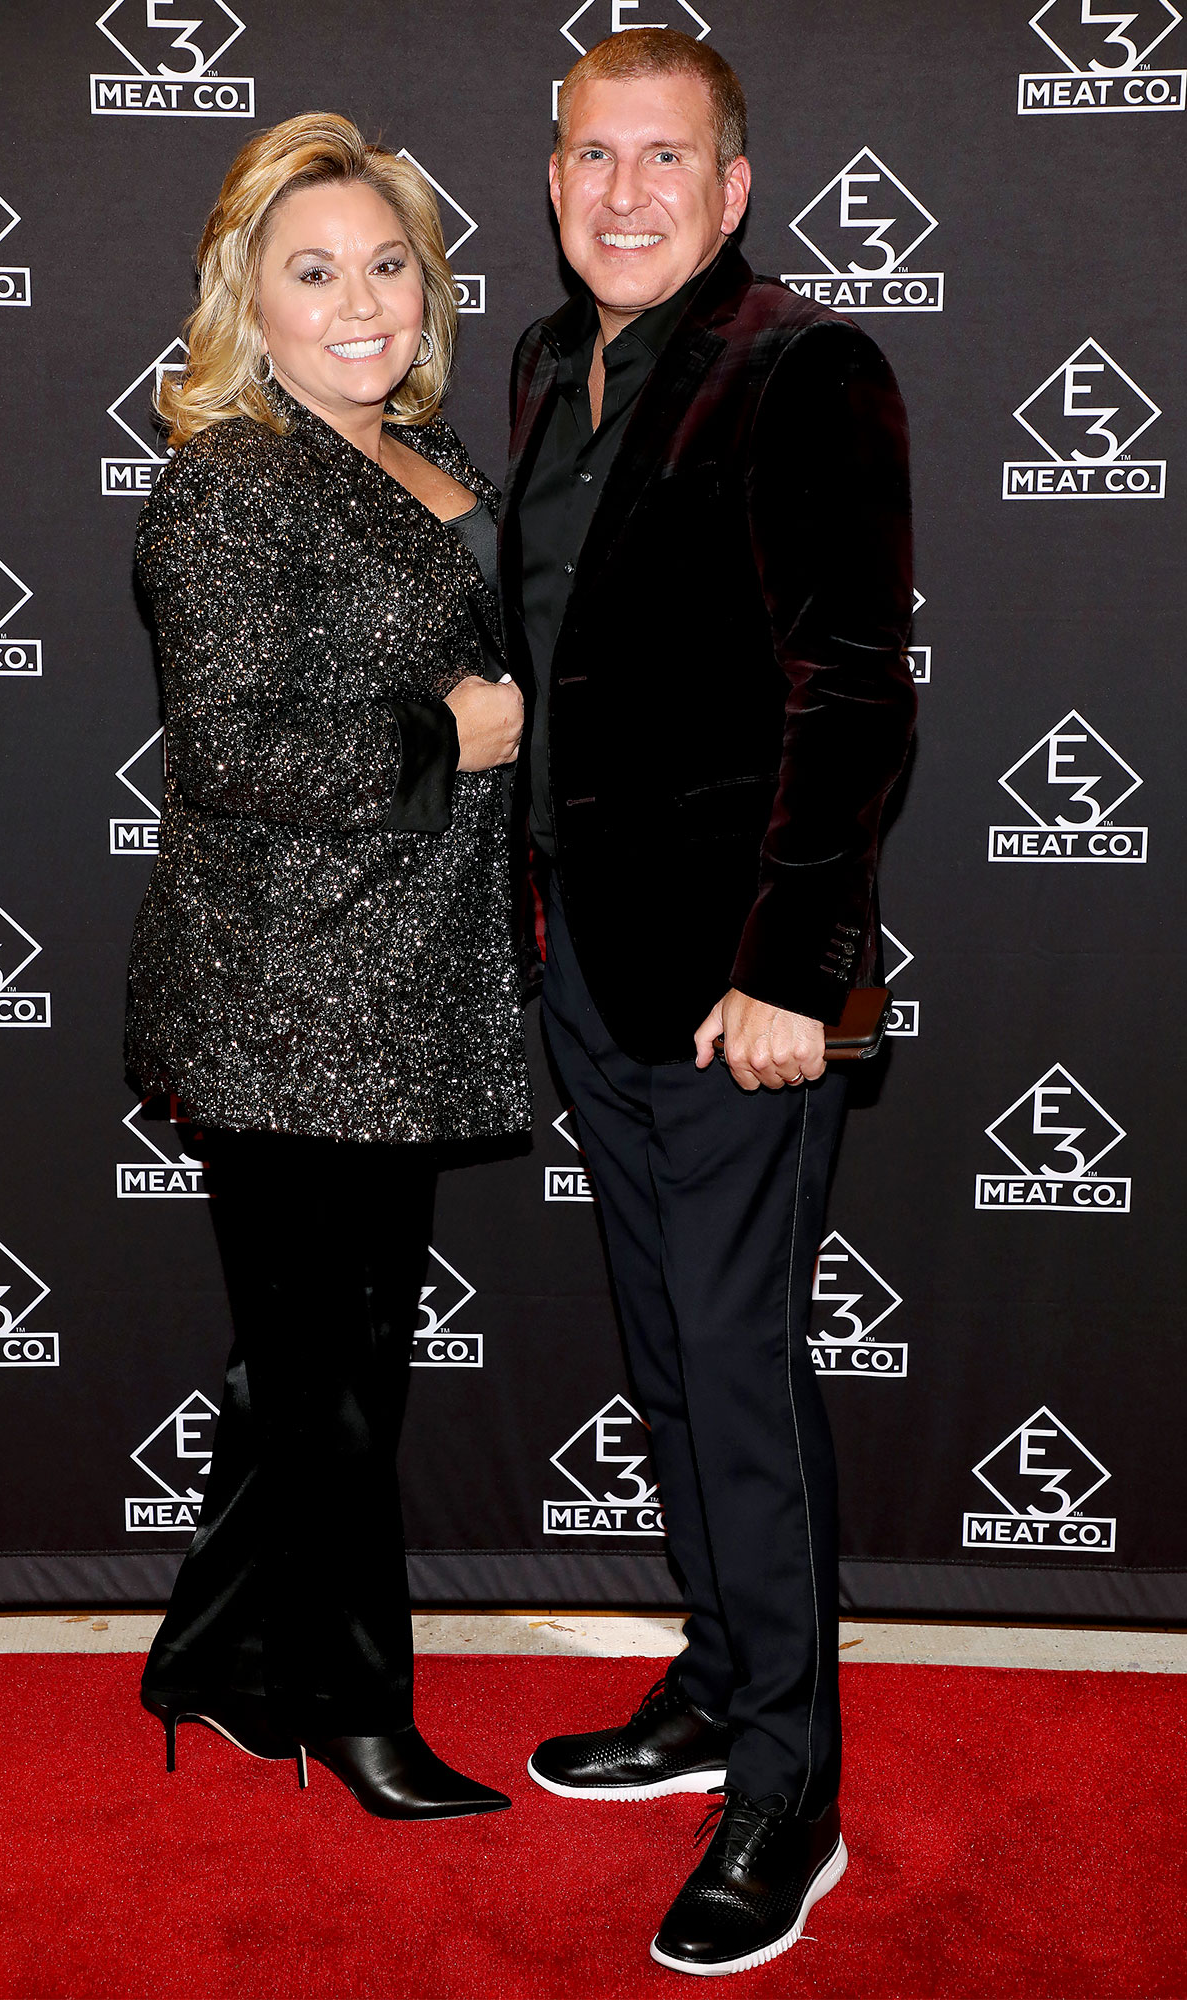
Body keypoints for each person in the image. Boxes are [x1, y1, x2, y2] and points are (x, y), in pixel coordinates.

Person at [501, 29, 915, 1974]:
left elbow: (852, 687)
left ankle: (788, 1791)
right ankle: (721, 1675)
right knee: (672, 1361)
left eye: (665, 157)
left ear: (732, 187)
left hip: (735, 992)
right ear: (553, 178)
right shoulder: (544, 366)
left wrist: (787, 968)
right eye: (594, 155)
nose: (625, 191)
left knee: (737, 1377)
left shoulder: (803, 367)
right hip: (587, 964)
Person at [125, 113, 528, 1821]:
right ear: (249, 300)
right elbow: (228, 747)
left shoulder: (430, 453)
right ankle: (351, 1711)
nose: (360, 303)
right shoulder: (229, 479)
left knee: (319, 1365)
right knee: (337, 1384)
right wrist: (451, 739)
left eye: (386, 265)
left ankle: (212, 1662)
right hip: (285, 993)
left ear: (428, 289)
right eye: (314, 271)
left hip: (409, 976)